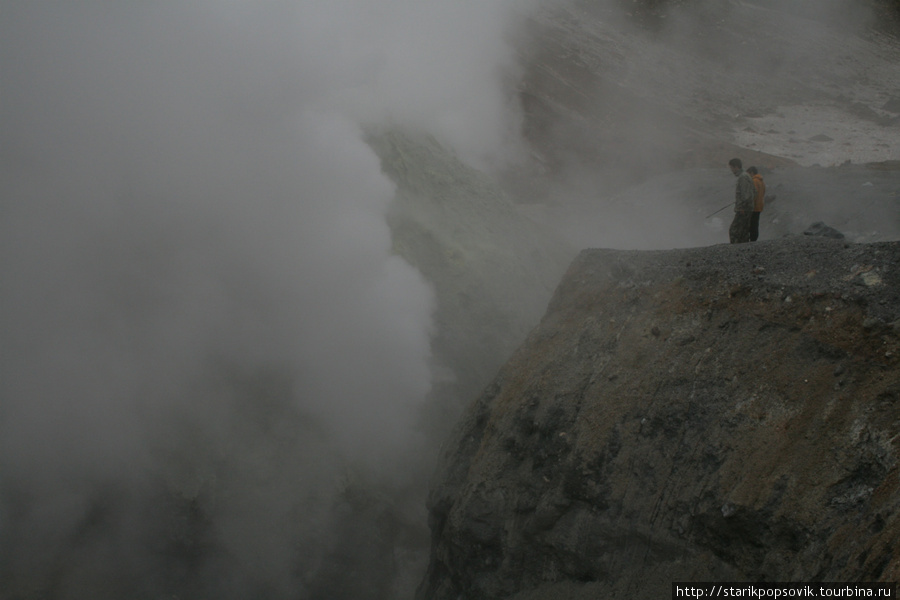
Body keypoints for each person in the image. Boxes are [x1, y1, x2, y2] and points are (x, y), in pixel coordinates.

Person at [728, 158, 755, 244]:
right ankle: (743, 250)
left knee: (734, 230)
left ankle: (736, 249)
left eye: (731, 168)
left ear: (736, 167)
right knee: (744, 231)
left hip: (743, 209)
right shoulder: (746, 176)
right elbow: (754, 192)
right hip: (748, 208)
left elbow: (746, 196)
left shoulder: (743, 177)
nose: (731, 170)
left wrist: (741, 207)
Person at [747, 166, 766, 242]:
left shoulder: (754, 181)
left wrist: (748, 203)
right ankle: (754, 240)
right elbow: (763, 193)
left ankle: (752, 240)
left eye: (748, 174)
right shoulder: (761, 181)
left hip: (754, 207)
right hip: (759, 206)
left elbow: (754, 194)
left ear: (752, 172)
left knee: (752, 225)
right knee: (755, 224)